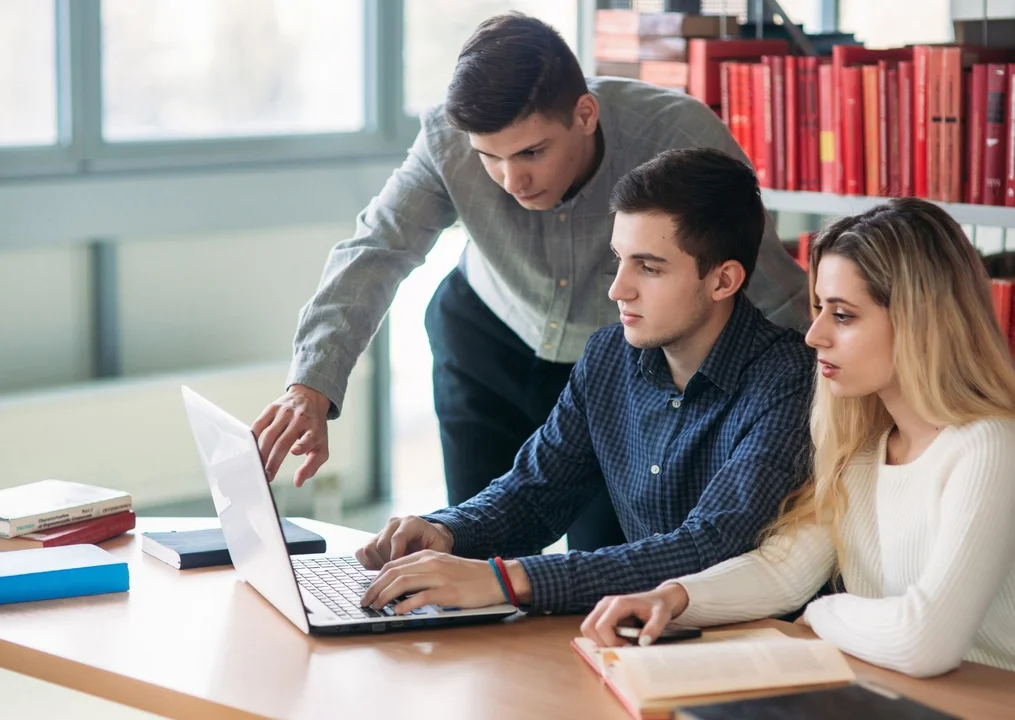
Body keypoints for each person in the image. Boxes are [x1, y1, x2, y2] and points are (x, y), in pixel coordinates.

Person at [251, 13, 809, 552]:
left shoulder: (678, 135)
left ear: (585, 113)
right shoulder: (447, 140)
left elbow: (762, 281)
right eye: (489, 158)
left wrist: (828, 404)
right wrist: (311, 385)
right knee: (466, 542)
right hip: (485, 344)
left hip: (613, 370)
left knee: (604, 561)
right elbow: (377, 249)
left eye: (532, 152)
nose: (511, 180)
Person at [352, 147, 815, 617]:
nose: (618, 288)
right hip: (645, 639)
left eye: (649, 267)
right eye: (619, 259)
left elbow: (707, 549)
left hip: (757, 649)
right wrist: (446, 531)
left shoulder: (790, 382)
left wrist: (506, 580)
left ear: (723, 281)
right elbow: (535, 493)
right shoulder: (609, 356)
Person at [580, 198, 1015, 677]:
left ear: (922, 322)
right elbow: (784, 571)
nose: (814, 335)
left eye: (844, 316)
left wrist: (824, 612)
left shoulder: (989, 445)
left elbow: (924, 642)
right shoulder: (865, 448)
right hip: (897, 698)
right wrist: (671, 598)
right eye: (818, 309)